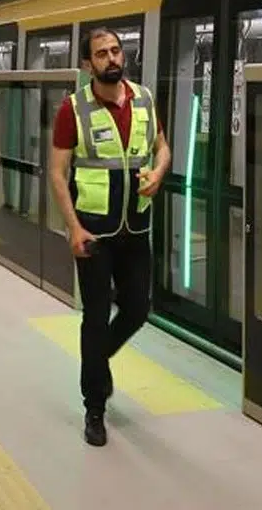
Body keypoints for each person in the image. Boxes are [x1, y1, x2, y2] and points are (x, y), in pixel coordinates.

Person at [48, 27, 171, 447]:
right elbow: (57, 173)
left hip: (135, 228)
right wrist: (73, 227)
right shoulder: (72, 109)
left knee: (138, 308)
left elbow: (162, 147)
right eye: (101, 54)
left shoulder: (145, 99)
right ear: (88, 64)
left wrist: (158, 172)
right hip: (93, 233)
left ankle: (98, 362)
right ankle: (94, 407)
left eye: (116, 50)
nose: (111, 58)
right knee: (95, 317)